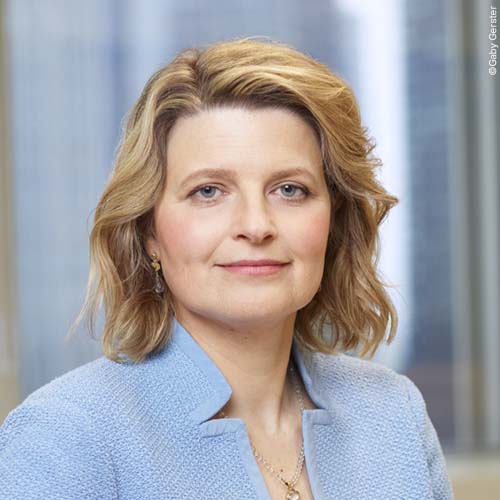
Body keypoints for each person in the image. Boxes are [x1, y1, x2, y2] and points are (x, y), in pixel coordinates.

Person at [0, 36, 454, 500]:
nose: (256, 226)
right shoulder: (65, 437)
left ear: (333, 220)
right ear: (148, 231)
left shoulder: (394, 414)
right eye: (209, 192)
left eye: (290, 189)